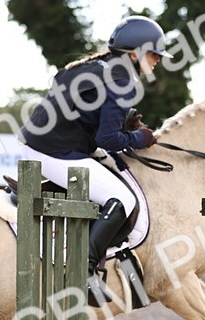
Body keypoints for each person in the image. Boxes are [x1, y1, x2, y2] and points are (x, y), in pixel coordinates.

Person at [18, 15, 166, 303]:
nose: (158, 60)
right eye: (153, 53)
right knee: (123, 199)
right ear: (134, 53)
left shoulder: (97, 66)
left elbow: (88, 117)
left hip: (45, 143)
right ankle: (81, 273)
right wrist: (141, 139)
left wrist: (122, 123)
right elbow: (107, 140)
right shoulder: (121, 79)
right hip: (54, 151)